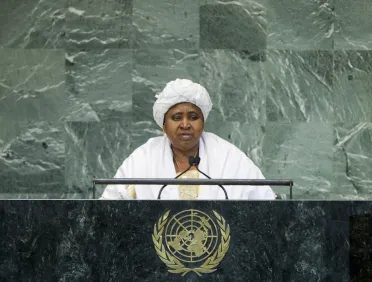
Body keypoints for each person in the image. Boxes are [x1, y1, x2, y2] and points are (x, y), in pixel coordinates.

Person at [100, 78, 276, 200]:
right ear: (164, 125)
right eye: (176, 118)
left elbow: (267, 205)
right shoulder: (143, 158)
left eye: (193, 117)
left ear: (203, 122)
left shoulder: (228, 157)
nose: (185, 124)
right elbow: (110, 207)